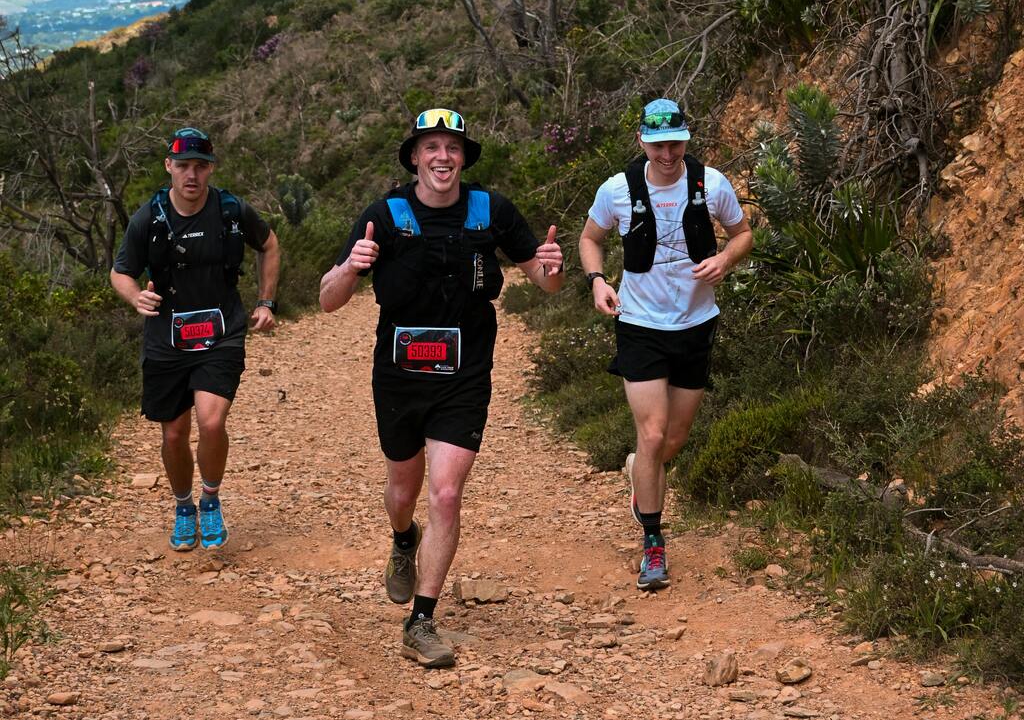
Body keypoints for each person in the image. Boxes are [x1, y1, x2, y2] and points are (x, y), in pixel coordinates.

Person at [319, 108, 564, 668]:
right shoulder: (383, 214)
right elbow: (327, 300)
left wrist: (551, 268)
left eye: (452, 147)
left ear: (463, 158)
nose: (442, 157)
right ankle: (404, 540)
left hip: (466, 374)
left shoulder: (491, 211)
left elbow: (545, 283)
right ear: (414, 157)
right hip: (400, 377)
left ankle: (422, 621)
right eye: (431, 147)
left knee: (447, 493)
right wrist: (350, 268)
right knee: (403, 494)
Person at [578, 99, 751, 591]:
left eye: (675, 142)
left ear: (686, 139)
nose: (668, 153)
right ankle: (653, 543)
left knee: (671, 441)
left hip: (697, 323)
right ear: (642, 143)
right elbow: (590, 238)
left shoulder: (711, 184)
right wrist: (596, 280)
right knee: (652, 434)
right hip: (639, 324)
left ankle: (640, 472)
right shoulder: (618, 190)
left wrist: (725, 260)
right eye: (657, 145)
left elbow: (743, 235)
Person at [110, 127, 280, 552]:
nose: (192, 175)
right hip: (166, 338)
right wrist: (136, 296)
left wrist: (266, 301)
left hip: (221, 331)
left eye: (200, 166)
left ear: (210, 169)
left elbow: (270, 244)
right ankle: (183, 505)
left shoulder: (230, 210)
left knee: (211, 421)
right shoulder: (147, 218)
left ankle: (210, 497)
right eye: (183, 165)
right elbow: (120, 271)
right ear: (169, 166)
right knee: (173, 434)